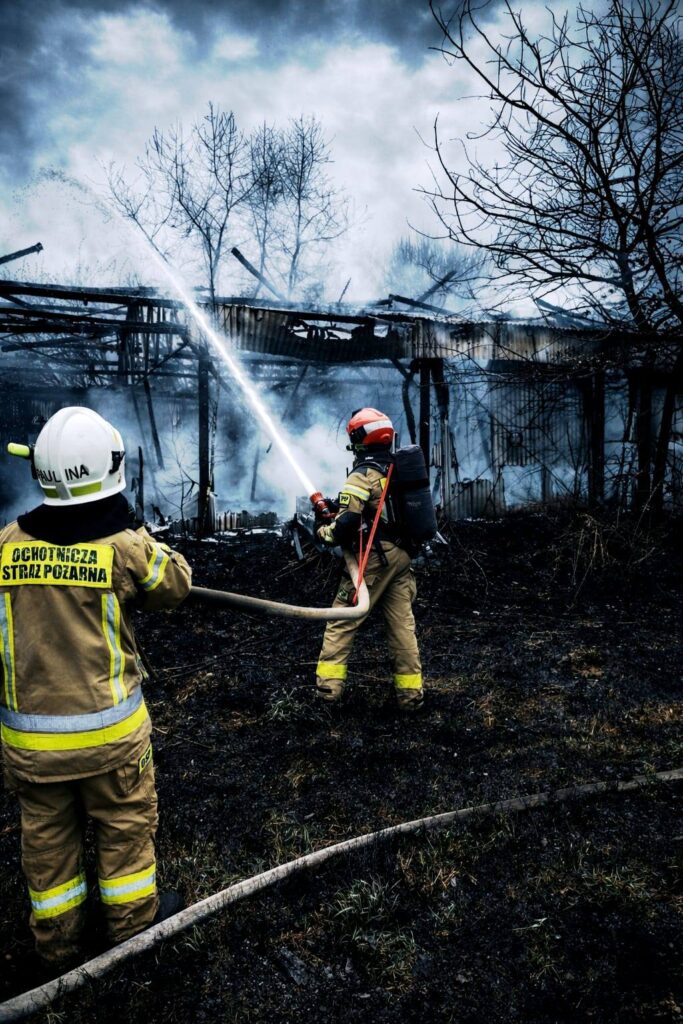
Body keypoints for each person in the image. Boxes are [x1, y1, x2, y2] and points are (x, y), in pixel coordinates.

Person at [0, 406, 192, 966]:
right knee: (125, 827)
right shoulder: (123, 549)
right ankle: (133, 927)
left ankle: (56, 944)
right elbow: (176, 583)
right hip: (110, 740)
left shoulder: (6, 545)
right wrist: (135, 529)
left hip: (30, 746)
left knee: (46, 839)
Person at [315, 407, 424, 713]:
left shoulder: (363, 473)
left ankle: (327, 694)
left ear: (361, 438)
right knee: (402, 627)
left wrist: (323, 533)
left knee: (340, 621)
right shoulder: (397, 468)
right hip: (402, 558)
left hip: (374, 560)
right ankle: (411, 696)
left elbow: (347, 523)